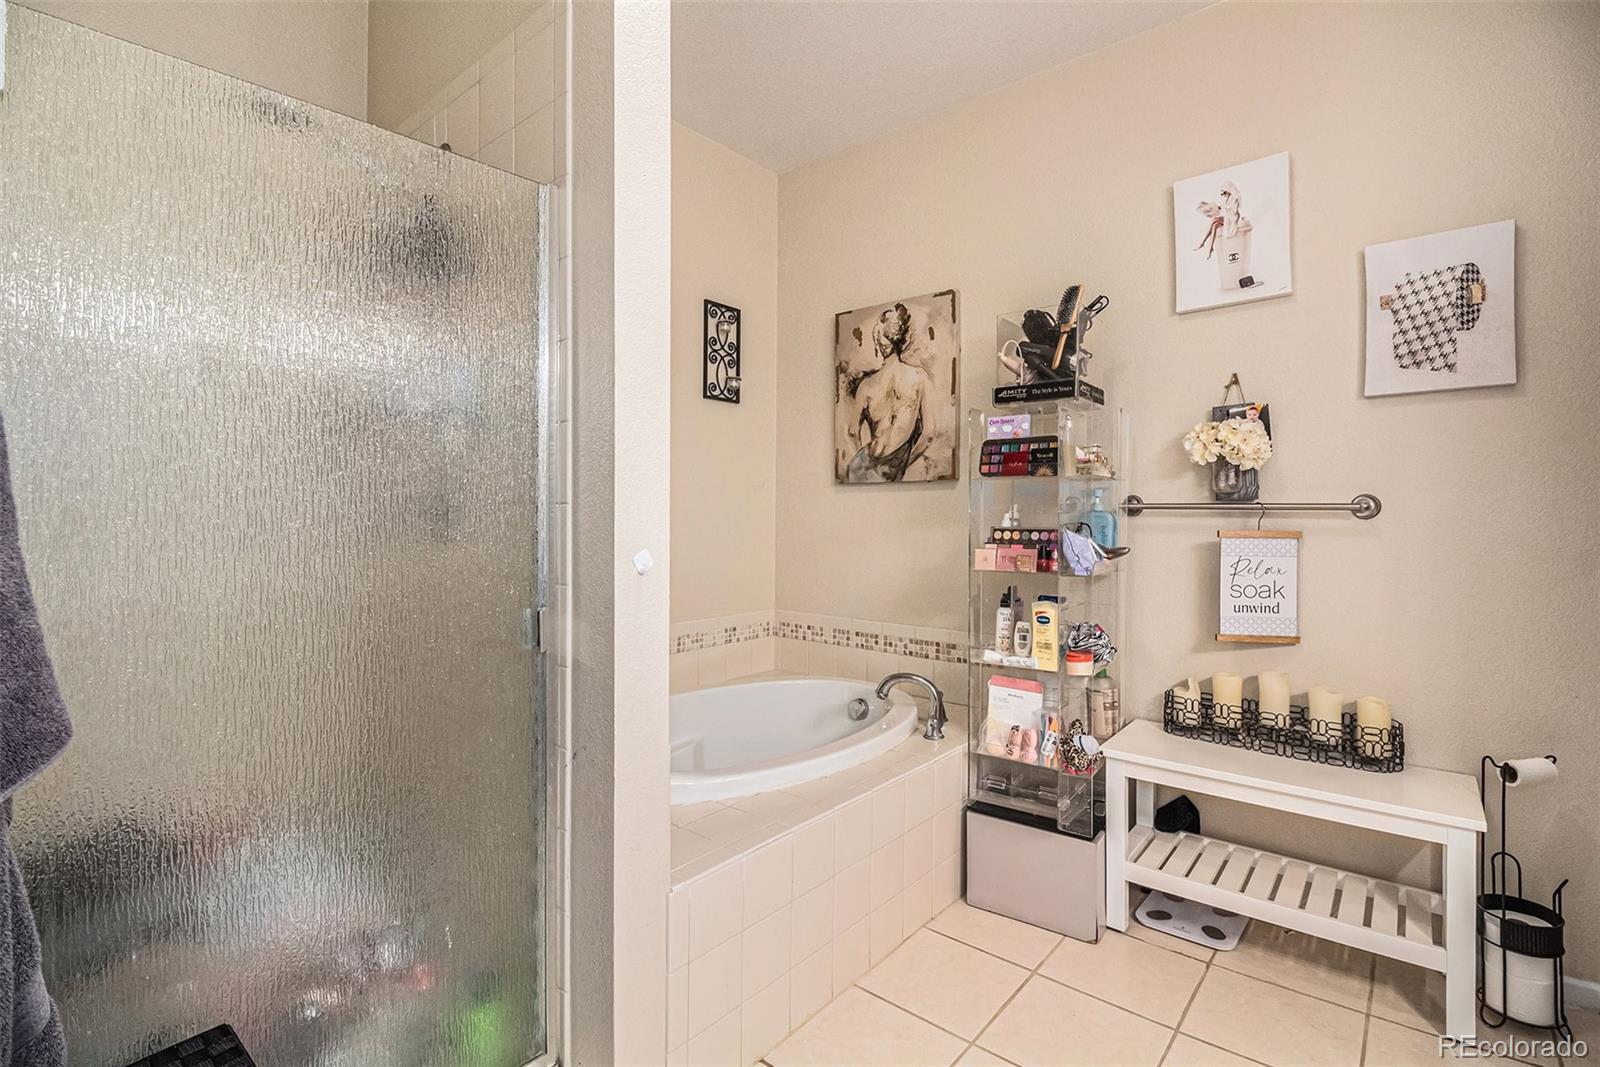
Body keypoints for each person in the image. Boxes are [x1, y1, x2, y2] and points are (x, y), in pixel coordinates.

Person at [840, 303, 937, 482]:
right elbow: (928, 434)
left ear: (878, 342)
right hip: (891, 467)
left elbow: (853, 432)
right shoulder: (920, 377)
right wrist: (902, 464)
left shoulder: (867, 385)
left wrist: (868, 465)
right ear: (904, 339)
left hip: (864, 468)